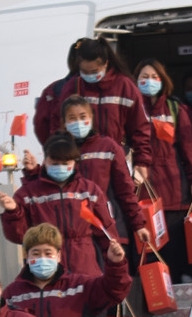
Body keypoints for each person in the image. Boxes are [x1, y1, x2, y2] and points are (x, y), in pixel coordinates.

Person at [132, 60, 192, 281]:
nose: (148, 82)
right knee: (150, 246)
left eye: (154, 77)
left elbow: (189, 146)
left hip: (175, 188)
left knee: (178, 244)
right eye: (143, 77)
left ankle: (180, 281)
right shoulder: (131, 110)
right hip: (145, 191)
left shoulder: (175, 108)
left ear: (163, 81)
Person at [0, 133, 122, 282]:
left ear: (74, 162)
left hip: (85, 269)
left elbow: (106, 231)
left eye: (65, 163)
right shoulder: (28, 194)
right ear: (45, 161)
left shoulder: (89, 191)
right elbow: (18, 236)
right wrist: (13, 212)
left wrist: (115, 265)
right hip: (46, 272)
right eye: (55, 163)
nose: (60, 167)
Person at [33, 36, 154, 167]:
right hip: (80, 163)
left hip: (115, 161)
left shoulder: (124, 86)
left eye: (94, 71)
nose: (89, 75)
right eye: (84, 71)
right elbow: (57, 126)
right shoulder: (72, 87)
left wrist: (142, 162)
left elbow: (140, 128)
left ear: (106, 63)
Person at [55, 95, 151, 250]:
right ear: (63, 123)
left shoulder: (109, 147)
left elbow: (125, 190)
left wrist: (138, 224)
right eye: (72, 118)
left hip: (107, 227)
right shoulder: (58, 150)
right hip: (72, 232)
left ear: (91, 117)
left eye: (82, 116)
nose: (78, 122)